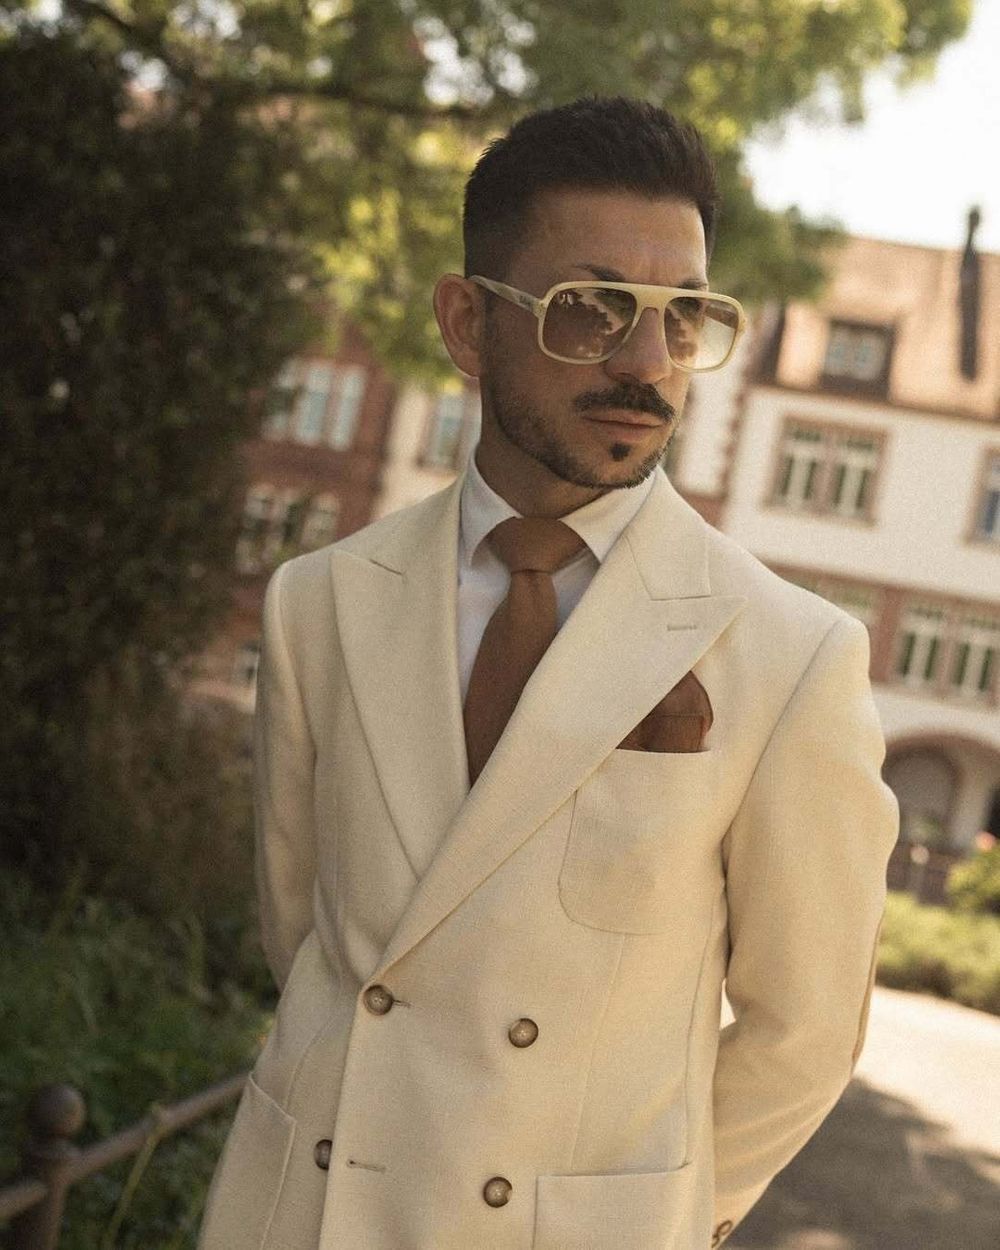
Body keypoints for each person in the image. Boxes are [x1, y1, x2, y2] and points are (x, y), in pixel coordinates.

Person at [197, 96, 899, 1250]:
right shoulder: (318, 600)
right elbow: (307, 932)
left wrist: (648, 1212)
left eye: (683, 319)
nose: (644, 361)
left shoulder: (790, 655)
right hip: (308, 1207)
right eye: (590, 309)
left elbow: (804, 1029)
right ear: (467, 324)